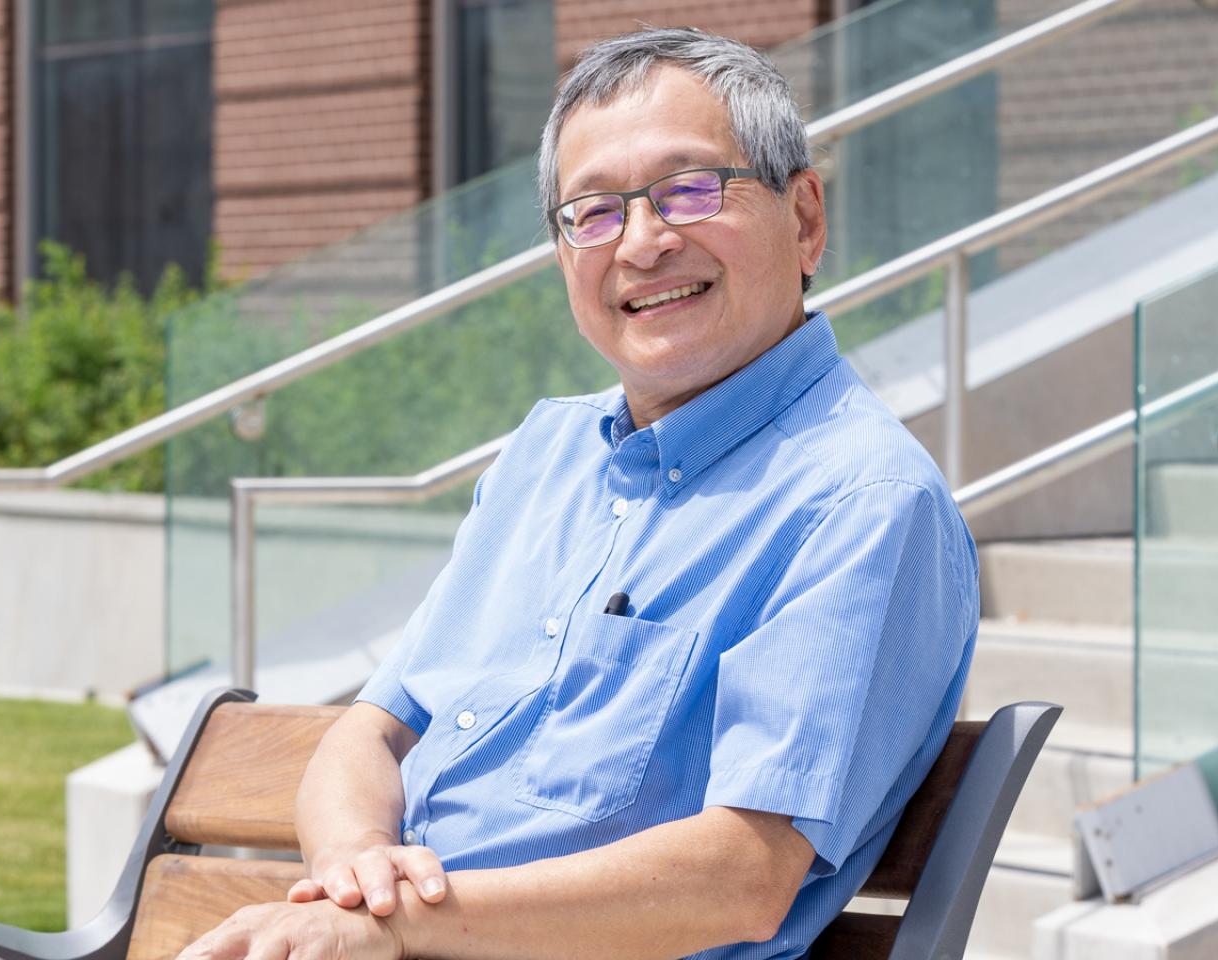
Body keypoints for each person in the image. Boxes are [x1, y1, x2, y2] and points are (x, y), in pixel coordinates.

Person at [179, 26, 978, 960]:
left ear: (804, 219)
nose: (641, 243)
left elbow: (741, 878)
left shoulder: (860, 505)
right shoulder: (545, 455)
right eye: (592, 212)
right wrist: (358, 872)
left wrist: (390, 925)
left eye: (689, 189)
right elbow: (373, 734)